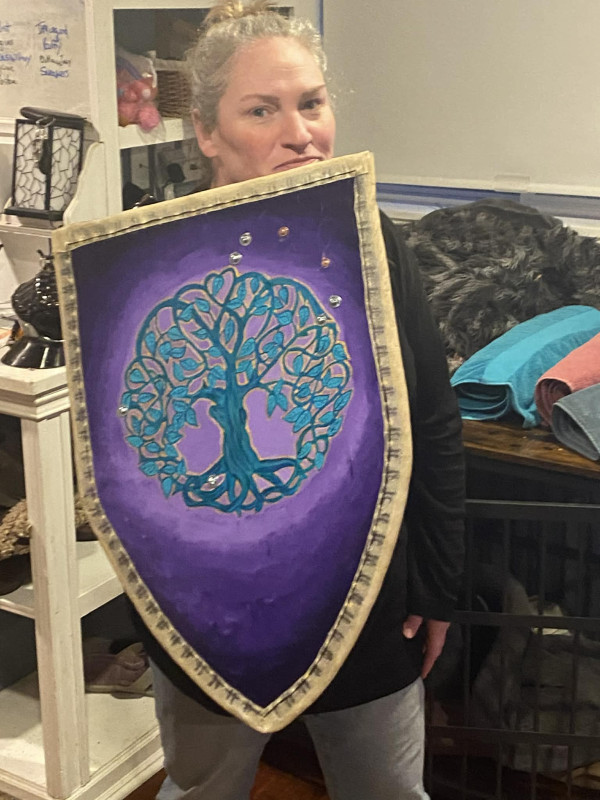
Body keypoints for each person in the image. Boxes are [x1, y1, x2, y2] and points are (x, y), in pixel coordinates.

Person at [134, 2, 465, 798]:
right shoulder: (147, 254)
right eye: (262, 111)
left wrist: (437, 582)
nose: (301, 134)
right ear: (207, 132)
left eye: (312, 103)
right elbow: (131, 464)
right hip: (203, 606)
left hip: (364, 592)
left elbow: (431, 421)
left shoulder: (374, 241)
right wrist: (161, 606)